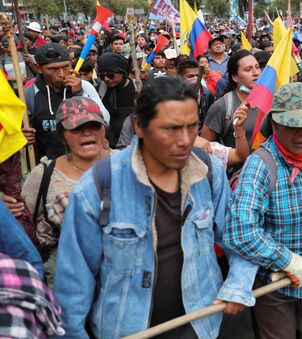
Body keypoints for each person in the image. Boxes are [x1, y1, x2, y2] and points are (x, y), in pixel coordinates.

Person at [52, 77, 257, 338]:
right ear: (139, 126)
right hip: (125, 330)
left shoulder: (209, 172)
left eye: (192, 127)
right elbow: (72, 288)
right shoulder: (97, 187)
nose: (185, 140)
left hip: (200, 324)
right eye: (170, 129)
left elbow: (239, 237)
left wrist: (238, 283)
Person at [224, 83, 302, 339]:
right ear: (274, 125)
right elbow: (240, 231)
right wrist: (287, 260)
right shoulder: (261, 164)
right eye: (291, 126)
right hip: (275, 283)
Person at [22, 97, 112, 285]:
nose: (87, 133)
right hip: (69, 282)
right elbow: (22, 223)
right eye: (76, 128)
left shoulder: (127, 164)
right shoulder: (44, 174)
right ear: (62, 135)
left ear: (104, 129)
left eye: (94, 126)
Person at [25, 42, 109, 160]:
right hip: (49, 167)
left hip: (86, 163)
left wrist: (80, 94)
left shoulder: (84, 86)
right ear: (38, 68)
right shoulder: (29, 94)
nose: (61, 74)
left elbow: (105, 120)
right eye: (53, 69)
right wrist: (23, 136)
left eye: (65, 67)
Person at [201, 50, 260, 155]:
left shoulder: (269, 101)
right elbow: (204, 148)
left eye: (257, 67)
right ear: (235, 77)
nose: (256, 73)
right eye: (248, 69)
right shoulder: (222, 106)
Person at [96, 53, 136, 148]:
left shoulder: (137, 90)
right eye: (102, 76)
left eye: (110, 75)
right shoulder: (99, 91)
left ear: (122, 72)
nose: (106, 79)